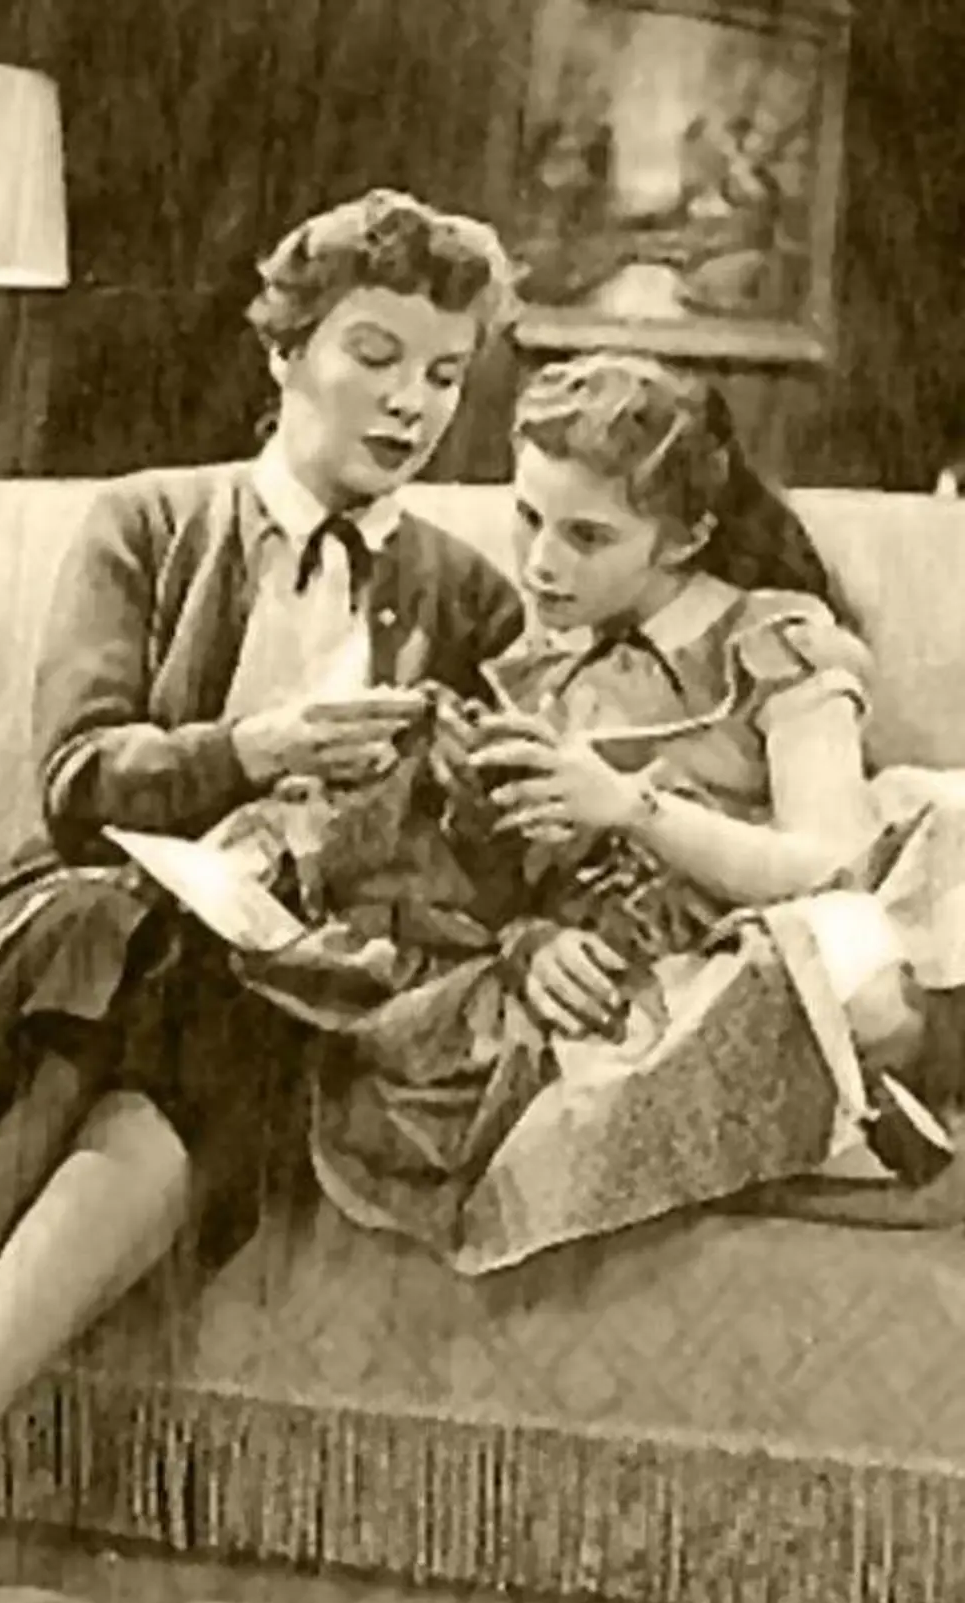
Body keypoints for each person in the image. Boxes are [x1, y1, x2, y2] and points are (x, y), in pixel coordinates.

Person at [0, 187, 522, 1603]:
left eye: (445, 373)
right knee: (126, 939)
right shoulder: (153, 518)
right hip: (99, 930)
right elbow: (78, 779)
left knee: (220, 990)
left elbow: (489, 854)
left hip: (297, 976)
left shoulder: (470, 590)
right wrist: (254, 749)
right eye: (376, 354)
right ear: (288, 351)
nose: (411, 402)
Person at [218, 351, 965, 1275]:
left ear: (685, 537)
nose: (541, 563)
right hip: (652, 971)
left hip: (786, 939)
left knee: (853, 967)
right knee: (422, 1049)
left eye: (587, 536)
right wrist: (531, 941)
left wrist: (631, 807)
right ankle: (813, 1133)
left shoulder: (769, 639)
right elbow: (512, 882)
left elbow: (835, 865)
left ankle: (842, 1122)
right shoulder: (541, 664)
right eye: (528, 517)